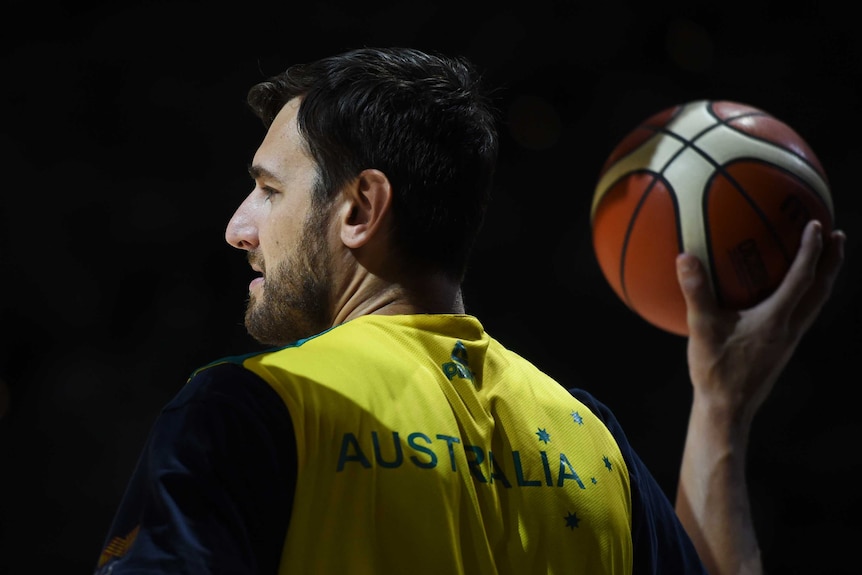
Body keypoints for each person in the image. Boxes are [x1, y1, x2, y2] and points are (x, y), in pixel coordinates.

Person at [94, 47, 845, 575]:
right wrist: (724, 405)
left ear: (361, 207)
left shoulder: (246, 408)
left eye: (269, 189)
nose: (239, 226)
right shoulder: (591, 442)